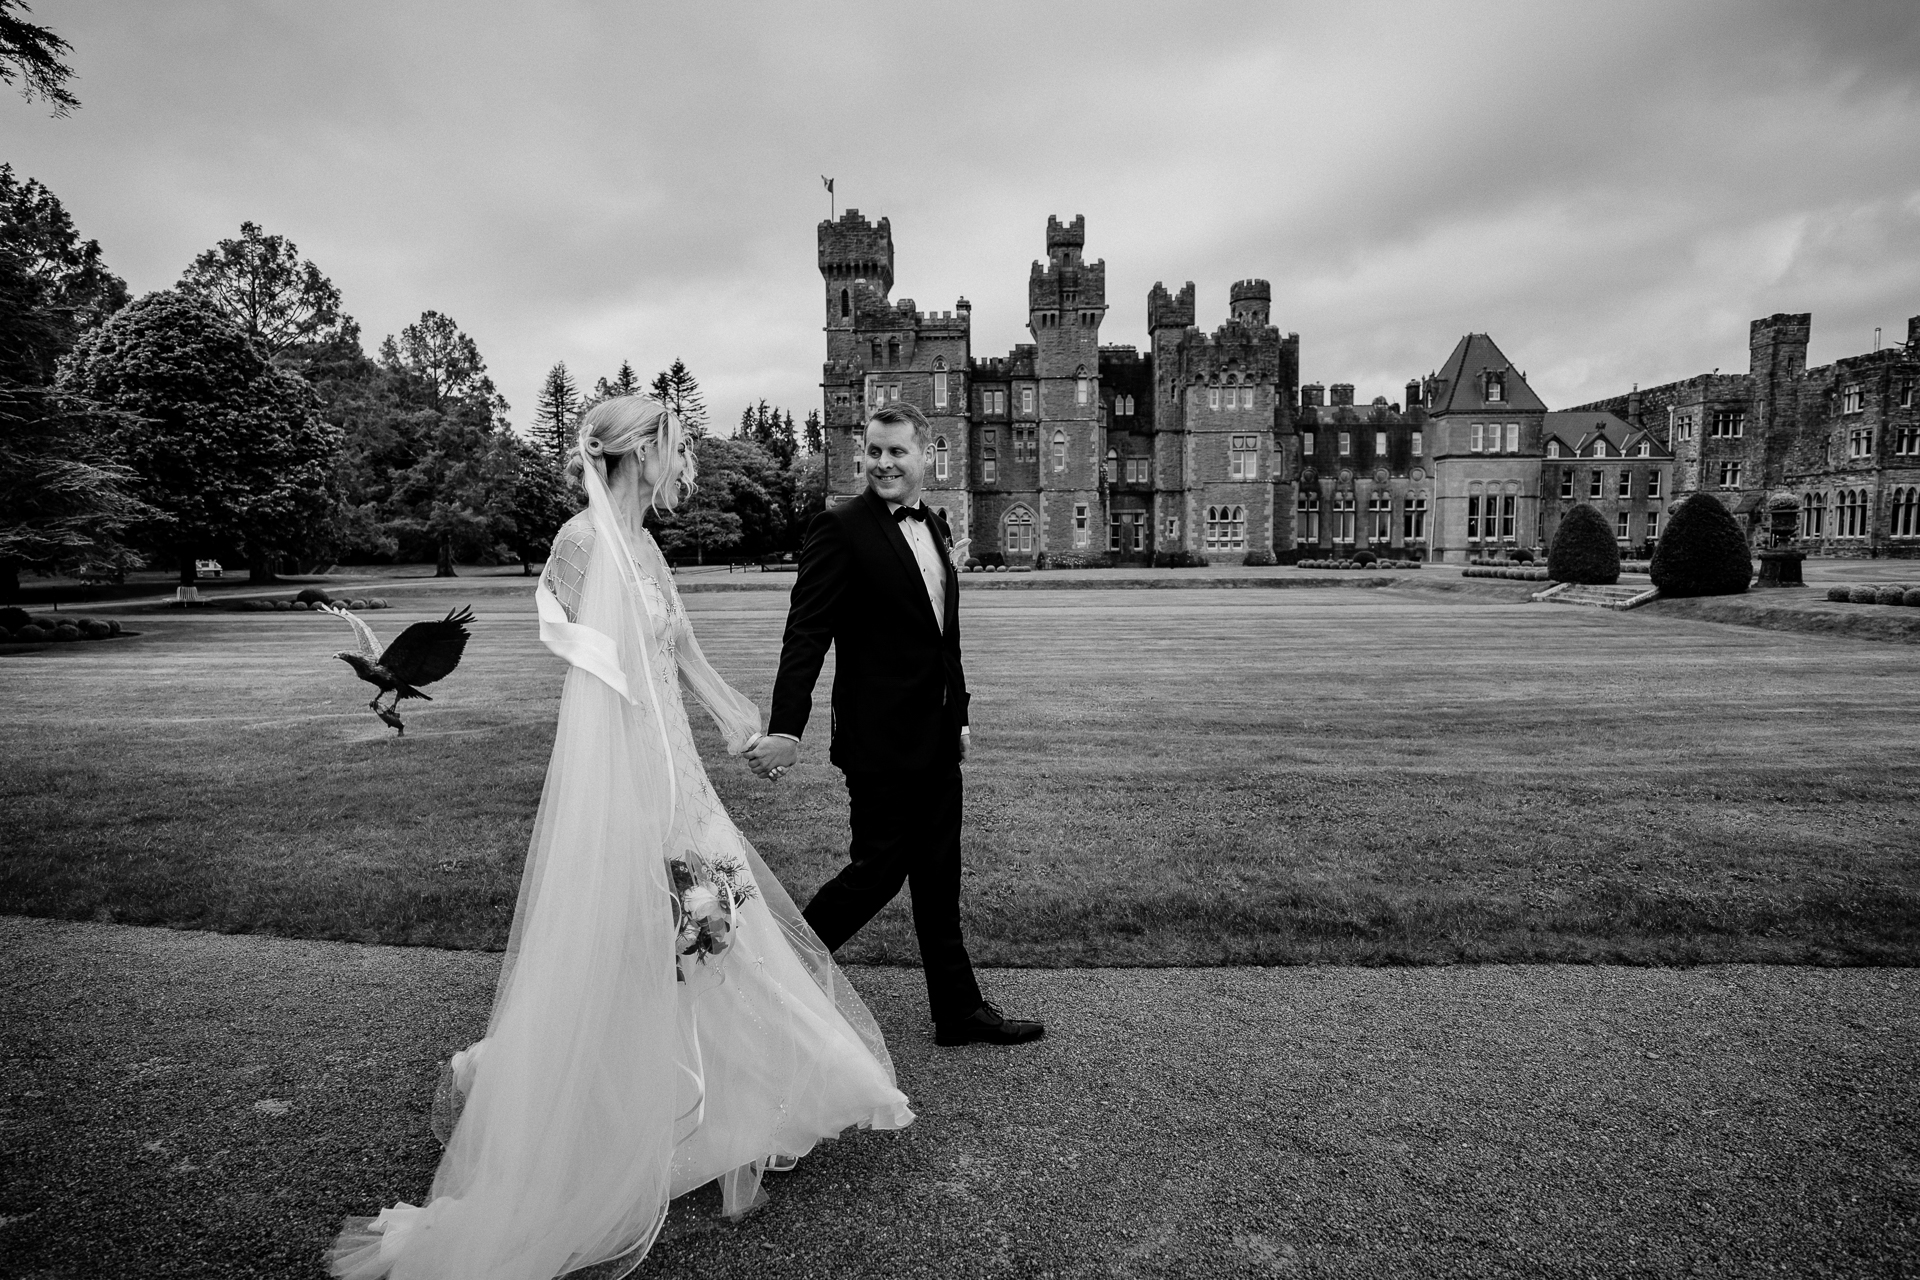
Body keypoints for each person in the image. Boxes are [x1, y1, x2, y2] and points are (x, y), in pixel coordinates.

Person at [329, 396, 912, 1280]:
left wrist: (740, 725)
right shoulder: (580, 541)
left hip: (678, 767)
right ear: (638, 451)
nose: (684, 465)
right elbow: (580, 666)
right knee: (637, 942)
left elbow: (679, 651)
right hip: (629, 774)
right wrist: (644, 778)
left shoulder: (645, 544)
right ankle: (562, 1099)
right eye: (675, 449)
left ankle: (727, 1104)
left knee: (711, 937)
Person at [745, 402, 1044, 1048]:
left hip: (936, 737)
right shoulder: (839, 529)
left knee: (939, 875)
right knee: (878, 871)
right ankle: (772, 971)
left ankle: (959, 1011)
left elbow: (944, 640)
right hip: (878, 742)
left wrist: (957, 716)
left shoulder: (935, 528)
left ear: (925, 456)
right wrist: (787, 729)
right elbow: (806, 636)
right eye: (873, 452)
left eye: (895, 452)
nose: (881, 463)